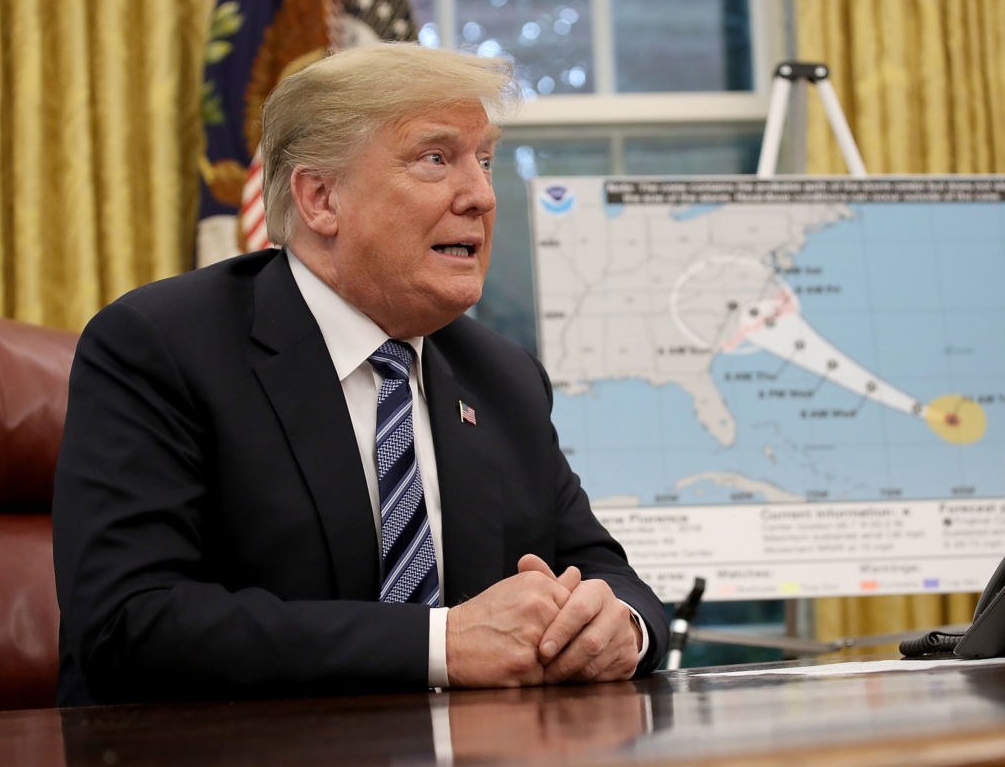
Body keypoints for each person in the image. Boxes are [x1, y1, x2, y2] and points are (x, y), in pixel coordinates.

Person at [51, 41, 668, 706]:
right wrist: (440, 643)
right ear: (320, 198)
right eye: (437, 159)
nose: (482, 196)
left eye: (485, 160)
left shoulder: (502, 375)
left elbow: (608, 573)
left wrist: (618, 628)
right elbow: (128, 623)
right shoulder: (163, 348)